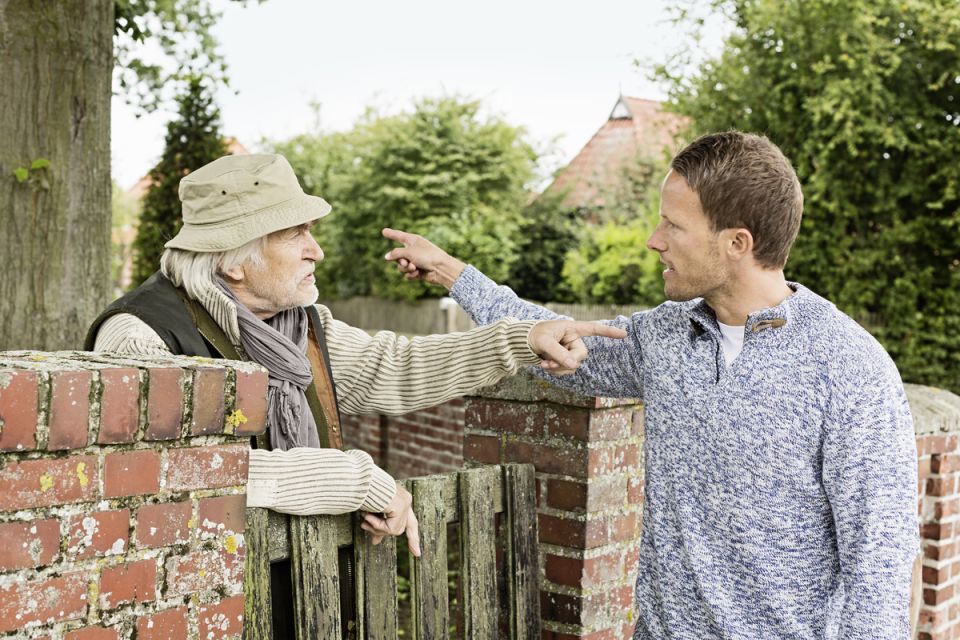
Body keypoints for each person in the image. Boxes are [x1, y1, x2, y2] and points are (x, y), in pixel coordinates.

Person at [383, 131, 919, 638]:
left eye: (673, 226)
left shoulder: (850, 369)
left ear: (737, 242)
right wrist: (453, 273)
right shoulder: (663, 335)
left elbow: (880, 568)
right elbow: (554, 336)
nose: (652, 241)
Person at [85, 153, 626, 633]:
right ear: (232, 259)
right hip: (190, 603)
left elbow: (397, 366)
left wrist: (520, 339)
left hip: (301, 590)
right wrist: (356, 480)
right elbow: (168, 471)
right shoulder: (142, 336)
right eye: (294, 234)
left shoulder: (300, 327)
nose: (315, 250)